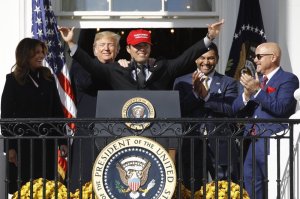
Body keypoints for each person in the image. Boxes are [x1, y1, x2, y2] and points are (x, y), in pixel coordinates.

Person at [58, 19, 224, 90]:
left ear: (150, 48)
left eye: (145, 46)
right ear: (128, 49)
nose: (141, 49)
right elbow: (90, 64)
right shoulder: (116, 70)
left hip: (156, 135)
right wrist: (71, 43)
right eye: (136, 46)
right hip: (123, 134)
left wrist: (209, 37)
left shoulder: (163, 67)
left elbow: (186, 57)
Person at [232, 42, 299, 199]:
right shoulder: (257, 80)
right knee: (251, 181)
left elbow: (281, 108)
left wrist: (257, 91)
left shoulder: (287, 79)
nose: (255, 60)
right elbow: (234, 109)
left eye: (259, 56)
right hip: (252, 141)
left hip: (272, 140)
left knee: (273, 184)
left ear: (273, 57)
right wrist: (247, 95)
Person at [1, 38, 67, 194]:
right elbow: (6, 116)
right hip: (22, 145)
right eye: (36, 52)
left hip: (47, 144)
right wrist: (10, 147)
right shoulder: (13, 80)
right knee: (23, 187)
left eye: (42, 52)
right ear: (25, 55)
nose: (41, 56)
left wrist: (62, 141)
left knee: (47, 187)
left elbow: (57, 111)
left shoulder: (48, 79)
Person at [173, 42, 239, 191]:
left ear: (217, 59)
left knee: (225, 188)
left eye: (211, 58)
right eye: (202, 57)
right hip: (191, 141)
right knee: (191, 187)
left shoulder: (228, 82)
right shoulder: (181, 82)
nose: (206, 62)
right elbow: (178, 110)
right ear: (196, 59)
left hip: (220, 141)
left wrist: (207, 96)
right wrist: (196, 94)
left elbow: (231, 108)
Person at [69, 31, 121, 191]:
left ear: (118, 50)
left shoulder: (122, 69)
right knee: (83, 180)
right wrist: (114, 67)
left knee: (114, 180)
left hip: (116, 134)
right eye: (102, 45)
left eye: (111, 45)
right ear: (94, 49)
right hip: (88, 132)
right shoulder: (81, 67)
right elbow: (89, 82)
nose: (106, 48)